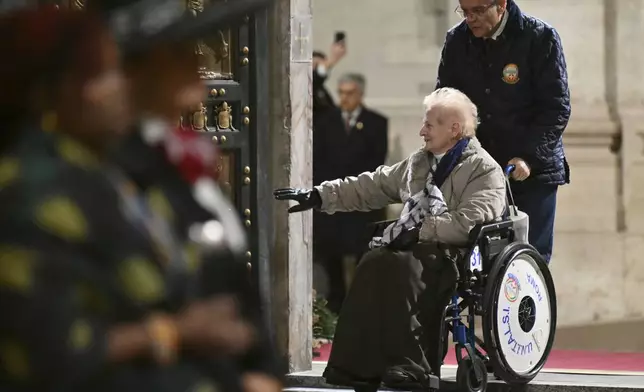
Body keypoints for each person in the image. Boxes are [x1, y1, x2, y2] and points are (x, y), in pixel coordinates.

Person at [0, 5, 257, 392]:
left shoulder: (117, 173)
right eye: (105, 74)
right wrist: (174, 333)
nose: (122, 89)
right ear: (59, 93)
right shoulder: (31, 192)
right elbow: (55, 352)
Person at [276, 87, 506, 389]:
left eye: (429, 124)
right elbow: (372, 185)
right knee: (374, 261)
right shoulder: (419, 162)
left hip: (454, 254)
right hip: (414, 244)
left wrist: (421, 229)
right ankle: (354, 367)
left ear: (454, 129)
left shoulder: (484, 169)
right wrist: (320, 196)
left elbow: (470, 223)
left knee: (402, 269)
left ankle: (412, 367)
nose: (421, 131)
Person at [435, 0, 571, 262]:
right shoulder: (456, 41)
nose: (470, 18)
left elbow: (556, 109)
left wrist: (528, 157)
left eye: (477, 11)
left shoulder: (539, 37)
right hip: (480, 171)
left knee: (528, 259)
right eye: (465, 11)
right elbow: (445, 102)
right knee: (478, 264)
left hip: (531, 173)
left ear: (501, 5)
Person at [312, 72, 388, 314]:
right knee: (331, 256)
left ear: (360, 94)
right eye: (341, 93)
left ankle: (360, 309)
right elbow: (318, 161)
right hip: (333, 201)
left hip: (361, 202)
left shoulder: (377, 122)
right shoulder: (325, 121)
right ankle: (335, 307)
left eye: (349, 93)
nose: (344, 98)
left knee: (362, 258)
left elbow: (375, 162)